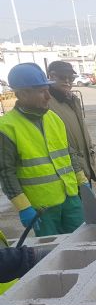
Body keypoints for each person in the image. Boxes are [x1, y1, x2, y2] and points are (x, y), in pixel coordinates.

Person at [0, 63, 88, 237]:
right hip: (42, 208)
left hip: (71, 198)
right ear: (22, 94)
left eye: (47, 89)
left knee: (84, 241)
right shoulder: (6, 128)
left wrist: (82, 182)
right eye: (41, 91)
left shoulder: (53, 118)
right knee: (52, 250)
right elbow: (6, 173)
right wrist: (23, 207)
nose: (48, 96)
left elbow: (68, 152)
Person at [47, 61, 96, 184]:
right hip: (68, 171)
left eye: (71, 78)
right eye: (63, 77)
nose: (67, 81)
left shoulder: (72, 99)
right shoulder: (47, 103)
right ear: (52, 76)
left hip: (83, 167)